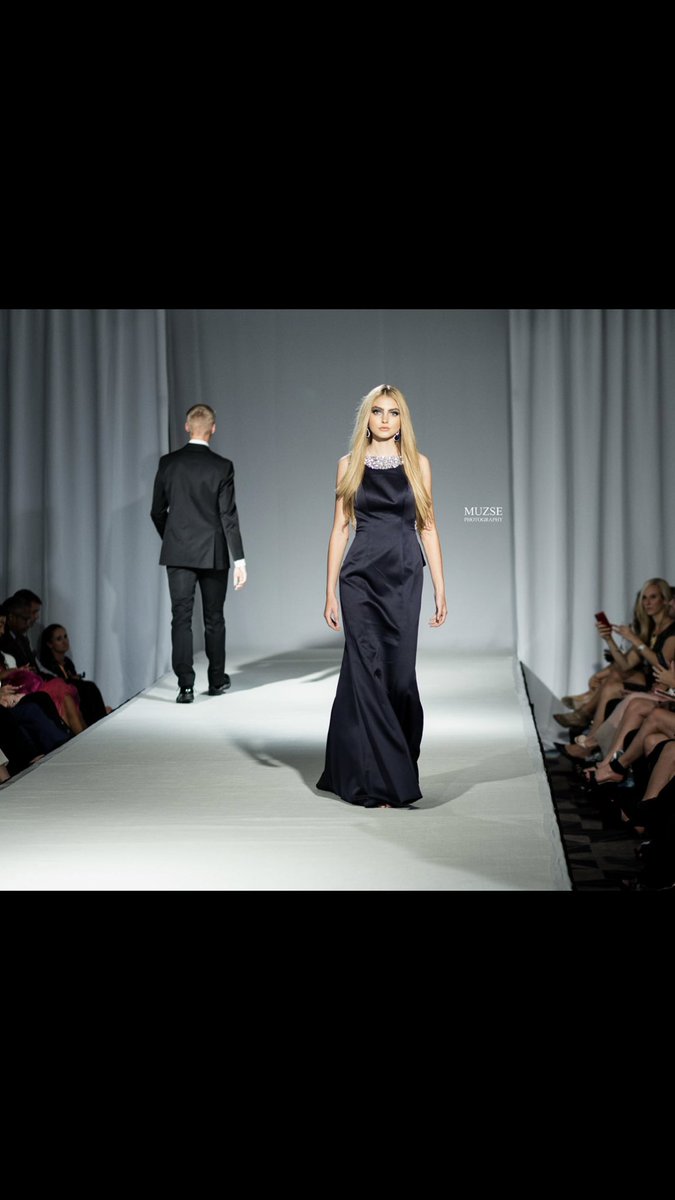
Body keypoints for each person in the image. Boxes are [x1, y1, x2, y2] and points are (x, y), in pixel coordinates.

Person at [316, 384, 447, 809]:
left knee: (400, 678)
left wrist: (441, 587)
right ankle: (380, 782)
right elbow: (340, 528)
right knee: (367, 674)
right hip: (359, 579)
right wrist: (330, 590)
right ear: (367, 419)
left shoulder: (419, 465)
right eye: (377, 411)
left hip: (405, 577)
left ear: (402, 420)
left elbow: (428, 526)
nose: (385, 419)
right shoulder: (348, 464)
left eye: (393, 412)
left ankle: (388, 763)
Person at [151, 403, 247, 703]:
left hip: (178, 551)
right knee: (214, 618)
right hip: (213, 551)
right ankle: (216, 680)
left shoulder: (168, 463)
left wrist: (173, 538)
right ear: (213, 429)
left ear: (186, 427)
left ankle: (186, 686)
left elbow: (156, 511)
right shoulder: (222, 466)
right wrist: (240, 559)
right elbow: (228, 515)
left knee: (180, 617)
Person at [38, 624, 111, 724]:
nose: (65, 641)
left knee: (89, 690)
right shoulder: (47, 664)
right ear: (50, 644)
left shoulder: (67, 662)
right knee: (89, 687)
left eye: (65, 637)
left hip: (74, 695)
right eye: (59, 639)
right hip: (63, 698)